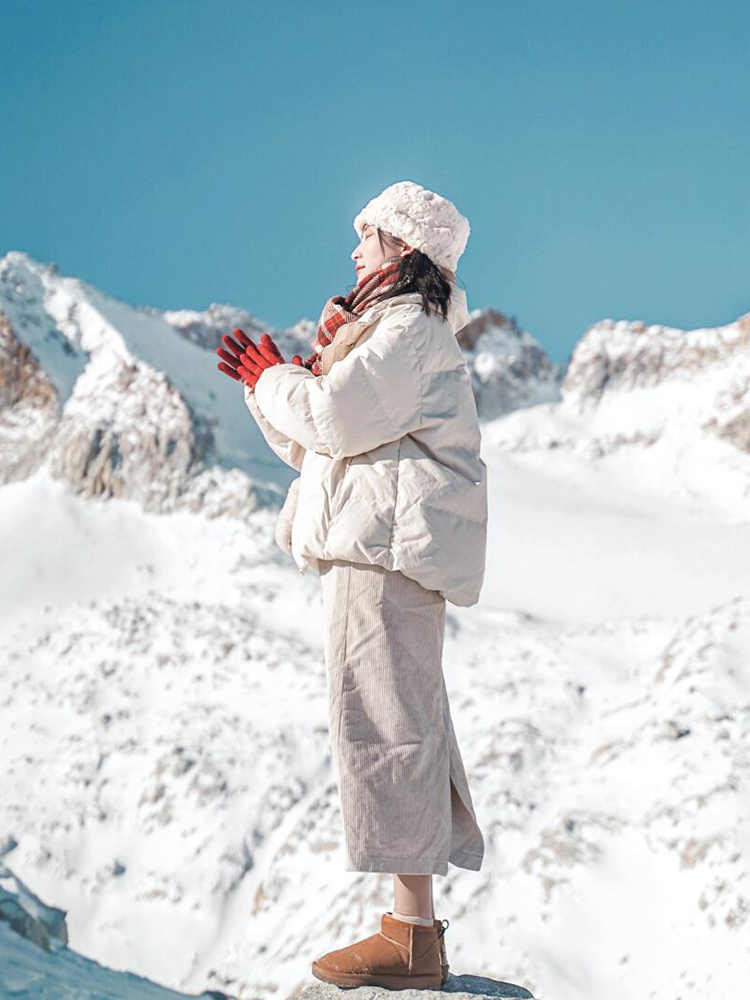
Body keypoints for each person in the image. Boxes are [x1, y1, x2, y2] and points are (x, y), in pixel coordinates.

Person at [217, 180, 487, 989]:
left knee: (389, 725)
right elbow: (324, 446)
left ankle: (411, 938)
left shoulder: (407, 333)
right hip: (377, 547)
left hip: (385, 555)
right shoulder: (392, 335)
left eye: (364, 237)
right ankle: (411, 929)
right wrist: (271, 385)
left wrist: (280, 381)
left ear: (400, 249)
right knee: (389, 721)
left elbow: (334, 421)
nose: (353, 251)